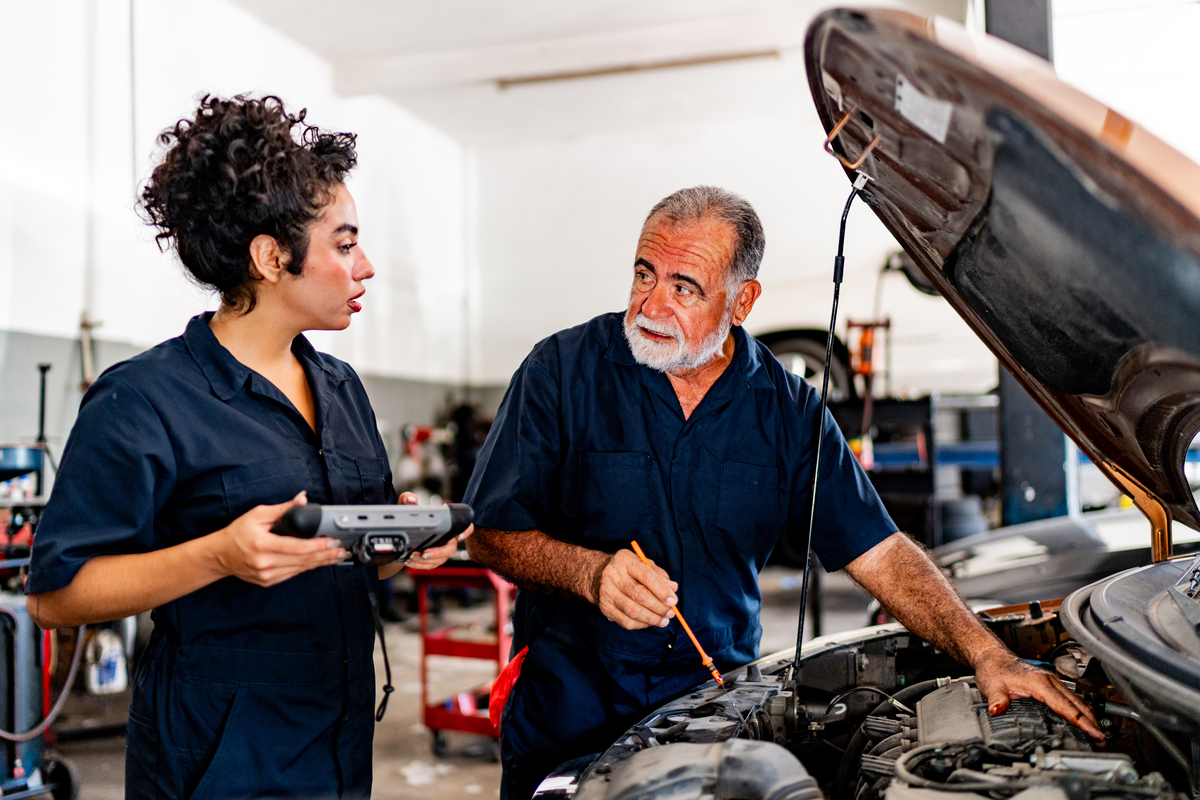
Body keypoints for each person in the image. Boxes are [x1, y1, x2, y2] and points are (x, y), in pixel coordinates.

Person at [464, 186, 1103, 799]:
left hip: (714, 716)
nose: (651, 306)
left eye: (683, 287)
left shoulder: (790, 412)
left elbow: (877, 549)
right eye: (643, 274)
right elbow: (489, 533)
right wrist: (590, 572)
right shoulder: (561, 371)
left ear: (742, 302)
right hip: (569, 713)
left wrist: (986, 653)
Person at [25, 95, 465, 800]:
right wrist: (218, 555)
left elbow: (342, 560)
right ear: (269, 257)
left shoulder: (342, 388)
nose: (367, 267)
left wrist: (400, 544)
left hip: (339, 749)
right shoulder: (143, 399)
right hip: (216, 765)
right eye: (346, 245)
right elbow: (55, 597)